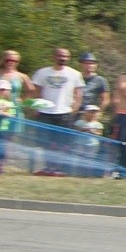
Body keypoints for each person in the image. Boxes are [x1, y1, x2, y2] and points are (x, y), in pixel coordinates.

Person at [30, 47, 85, 175]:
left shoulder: (75, 74)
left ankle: (59, 169)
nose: (63, 58)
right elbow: (36, 92)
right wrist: (36, 107)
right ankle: (48, 168)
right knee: (45, 143)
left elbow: (79, 94)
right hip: (45, 113)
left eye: (66, 56)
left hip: (64, 113)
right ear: (53, 56)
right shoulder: (42, 72)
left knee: (63, 143)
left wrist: (74, 109)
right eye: (60, 56)